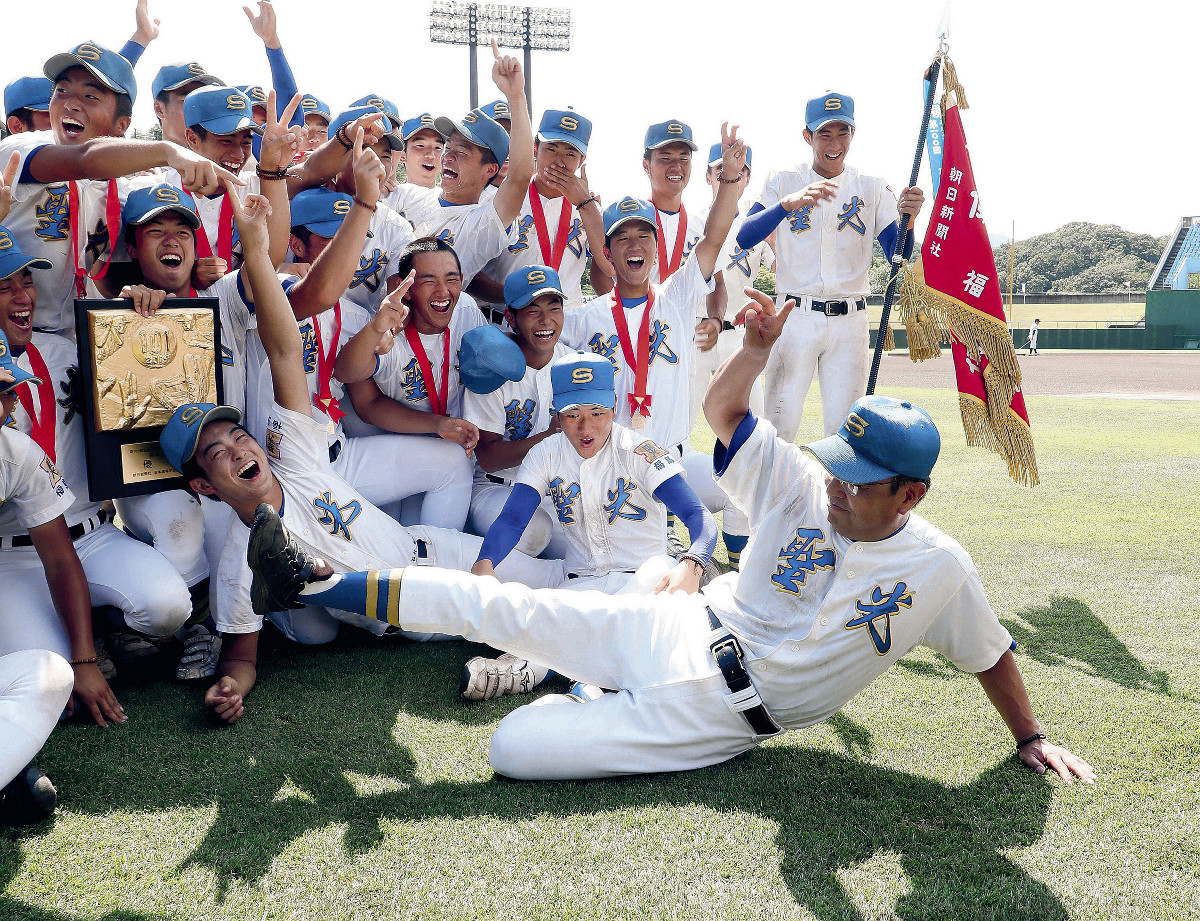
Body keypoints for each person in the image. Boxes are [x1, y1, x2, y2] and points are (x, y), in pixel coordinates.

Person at [246, 286, 1096, 786]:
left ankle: (585, 690)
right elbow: (725, 414)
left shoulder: (938, 565)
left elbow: (989, 649)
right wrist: (756, 348)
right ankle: (320, 581)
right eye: (837, 464)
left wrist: (1028, 736)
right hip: (678, 622)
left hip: (713, 712)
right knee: (493, 599)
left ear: (910, 493)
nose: (833, 481)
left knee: (512, 749)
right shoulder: (803, 479)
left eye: (857, 478)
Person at [155, 190, 560, 724]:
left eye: (238, 437)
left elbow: (284, 350)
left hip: (432, 550)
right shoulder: (240, 555)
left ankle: (647, 601)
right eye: (218, 454)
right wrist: (231, 686)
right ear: (205, 486)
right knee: (527, 610)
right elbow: (240, 657)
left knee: (551, 580)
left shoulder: (294, 458)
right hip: (412, 610)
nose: (239, 450)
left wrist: (257, 250)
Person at [461, 349, 720, 700]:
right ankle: (578, 677)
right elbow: (513, 518)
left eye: (598, 413)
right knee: (545, 617)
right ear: (556, 413)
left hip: (645, 579)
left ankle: (532, 671)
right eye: (572, 415)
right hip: (583, 582)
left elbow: (698, 516)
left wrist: (694, 563)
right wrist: (485, 563)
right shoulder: (546, 452)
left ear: (614, 405)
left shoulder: (639, 449)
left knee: (633, 597)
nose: (586, 427)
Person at [735, 92, 925, 440]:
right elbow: (745, 236)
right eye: (825, 133)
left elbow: (896, 254)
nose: (834, 142)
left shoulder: (870, 186)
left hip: (850, 320)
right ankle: (774, 495)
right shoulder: (785, 180)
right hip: (795, 314)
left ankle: (835, 497)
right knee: (779, 427)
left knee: (844, 433)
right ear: (807, 136)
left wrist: (908, 220)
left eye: (843, 133)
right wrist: (784, 207)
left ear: (853, 134)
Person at [461, 266, 574, 557]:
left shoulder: (574, 364)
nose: (546, 320)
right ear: (511, 318)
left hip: (553, 491)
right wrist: (549, 437)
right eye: (532, 310)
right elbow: (487, 458)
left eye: (554, 307)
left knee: (592, 546)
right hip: (497, 488)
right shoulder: (492, 365)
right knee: (533, 533)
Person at [474, 109, 611, 315]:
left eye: (570, 153)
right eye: (551, 149)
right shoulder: (501, 197)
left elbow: (610, 267)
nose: (559, 161)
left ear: (582, 160)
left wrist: (586, 204)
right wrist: (516, 295)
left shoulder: (589, 209)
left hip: (568, 325)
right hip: (509, 321)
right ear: (535, 149)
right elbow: (470, 271)